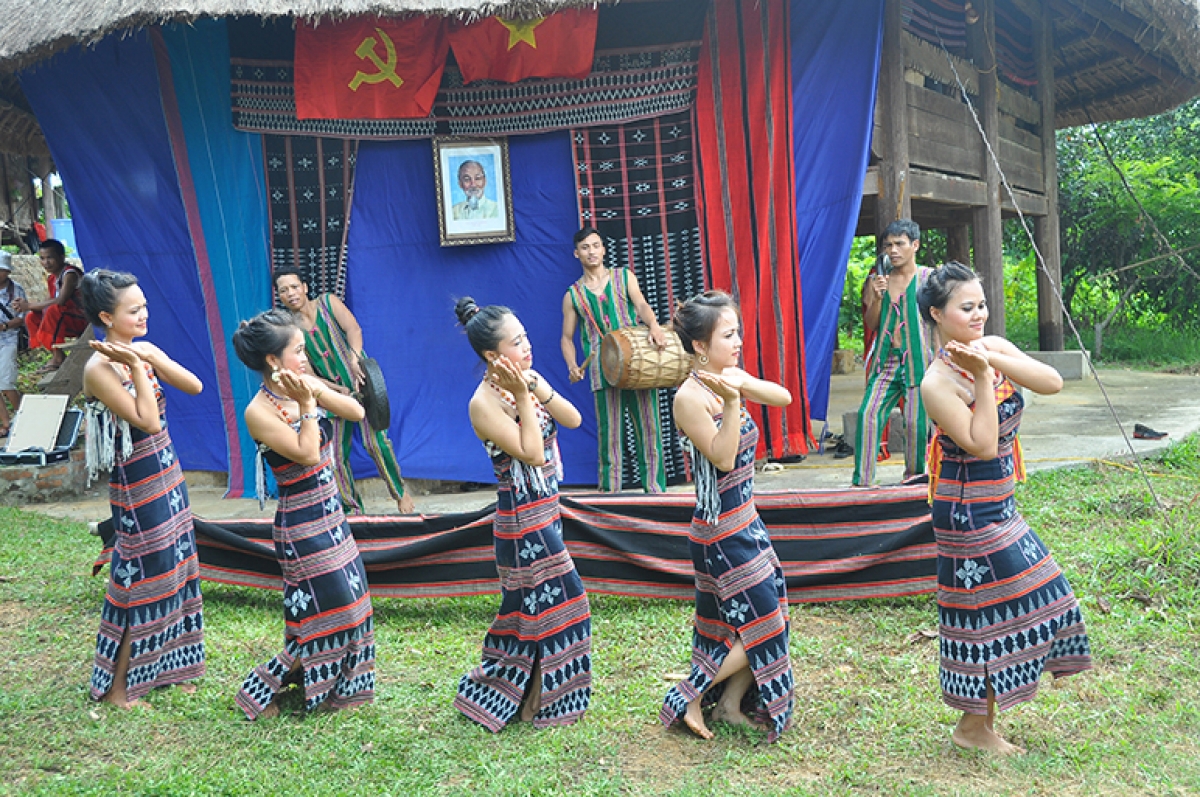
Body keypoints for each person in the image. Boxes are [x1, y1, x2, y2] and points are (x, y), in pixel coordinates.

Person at [918, 261, 1092, 754]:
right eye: (966, 307)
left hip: (999, 501)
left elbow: (1052, 381)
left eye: (981, 305)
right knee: (981, 614)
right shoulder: (937, 383)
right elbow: (983, 444)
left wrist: (990, 359)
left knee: (1046, 596)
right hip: (965, 510)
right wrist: (978, 377)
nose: (979, 315)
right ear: (938, 314)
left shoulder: (991, 348)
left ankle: (978, 724)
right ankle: (974, 728)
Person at [660, 290, 794, 742]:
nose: (738, 341)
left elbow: (784, 398)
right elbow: (721, 457)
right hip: (719, 532)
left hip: (746, 521)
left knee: (754, 620)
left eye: (738, 332)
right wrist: (734, 402)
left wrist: (741, 386)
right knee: (765, 623)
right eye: (729, 334)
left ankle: (730, 706)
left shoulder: (730, 377)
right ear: (700, 345)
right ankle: (689, 695)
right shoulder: (689, 398)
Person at [453, 297, 592, 731]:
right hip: (521, 517)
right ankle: (533, 700)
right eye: (517, 342)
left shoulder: (527, 379)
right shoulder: (484, 403)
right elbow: (531, 453)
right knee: (562, 606)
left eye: (526, 335)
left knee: (532, 611)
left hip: (546, 508)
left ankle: (522, 696)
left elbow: (571, 419)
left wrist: (536, 387)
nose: (528, 346)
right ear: (493, 356)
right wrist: (521, 393)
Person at [232, 309, 376, 720]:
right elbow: (309, 454)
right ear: (273, 361)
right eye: (297, 350)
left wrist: (313, 393)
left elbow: (356, 412)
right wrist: (309, 405)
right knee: (329, 611)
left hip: (332, 516)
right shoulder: (258, 412)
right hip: (301, 524)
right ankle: (261, 690)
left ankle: (337, 690)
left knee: (353, 605)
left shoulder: (305, 383)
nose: (305, 356)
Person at [80, 269, 205, 709]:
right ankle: (119, 689)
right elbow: (146, 421)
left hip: (166, 469)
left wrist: (147, 357)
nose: (144, 315)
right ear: (105, 317)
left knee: (179, 565)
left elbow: (193, 385)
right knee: (147, 576)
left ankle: (173, 670)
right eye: (134, 311)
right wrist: (135, 364)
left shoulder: (144, 348)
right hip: (135, 480)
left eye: (144, 306)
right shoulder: (98, 369)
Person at [273, 267, 414, 514]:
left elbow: (354, 329)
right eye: (283, 290)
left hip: (361, 383)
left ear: (305, 287)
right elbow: (307, 372)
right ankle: (352, 511)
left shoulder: (328, 302)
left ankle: (401, 495)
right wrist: (334, 391)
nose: (290, 293)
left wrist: (354, 357)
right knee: (335, 456)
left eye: (294, 287)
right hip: (328, 395)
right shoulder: (289, 330)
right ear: (280, 297)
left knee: (376, 444)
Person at [560, 227, 667, 493]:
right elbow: (566, 337)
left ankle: (655, 491)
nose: (591, 251)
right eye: (585, 247)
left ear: (603, 249)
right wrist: (572, 365)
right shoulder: (573, 295)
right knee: (610, 435)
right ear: (576, 254)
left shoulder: (624, 277)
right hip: (601, 369)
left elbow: (641, 304)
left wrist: (653, 325)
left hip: (636, 361)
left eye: (596, 245)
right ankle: (611, 493)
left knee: (649, 429)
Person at [853, 219, 933, 486]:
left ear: (915, 245)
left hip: (919, 362)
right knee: (868, 415)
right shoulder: (877, 280)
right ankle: (862, 482)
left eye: (900, 244)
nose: (893, 250)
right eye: (888, 245)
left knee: (915, 424)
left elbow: (941, 319)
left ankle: (915, 479)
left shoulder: (929, 279)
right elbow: (873, 324)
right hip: (886, 362)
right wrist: (876, 297)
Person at [13, 239, 87, 372]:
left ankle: (58, 358)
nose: (45, 263)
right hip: (66, 320)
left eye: (50, 258)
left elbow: (60, 301)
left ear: (61, 257)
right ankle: (56, 353)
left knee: (53, 310)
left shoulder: (70, 274)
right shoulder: (52, 278)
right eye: (42, 258)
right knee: (32, 317)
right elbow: (46, 303)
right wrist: (24, 306)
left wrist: (29, 304)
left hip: (83, 319)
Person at [0, 252, 27, 437]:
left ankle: (23, 418)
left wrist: (4, 326)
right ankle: (6, 423)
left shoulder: (16, 290)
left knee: (7, 383)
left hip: (9, 338)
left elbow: (22, 318)